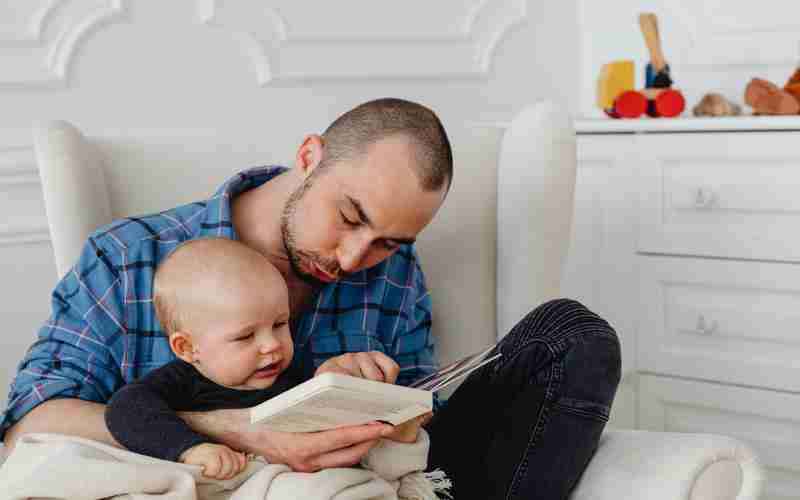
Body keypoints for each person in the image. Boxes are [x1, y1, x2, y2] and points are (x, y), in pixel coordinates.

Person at [2, 98, 621, 499]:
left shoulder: (394, 269)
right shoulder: (128, 257)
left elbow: (418, 417)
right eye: (350, 217)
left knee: (571, 334)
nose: (354, 259)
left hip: (374, 481)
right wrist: (244, 431)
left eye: (386, 241)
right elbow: (29, 425)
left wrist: (387, 397)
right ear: (308, 158)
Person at [104, 237, 428, 480]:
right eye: (246, 336)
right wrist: (190, 448)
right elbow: (123, 410)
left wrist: (387, 421)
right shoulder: (179, 382)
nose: (271, 345)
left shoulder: (296, 377)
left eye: (279, 324)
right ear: (188, 348)